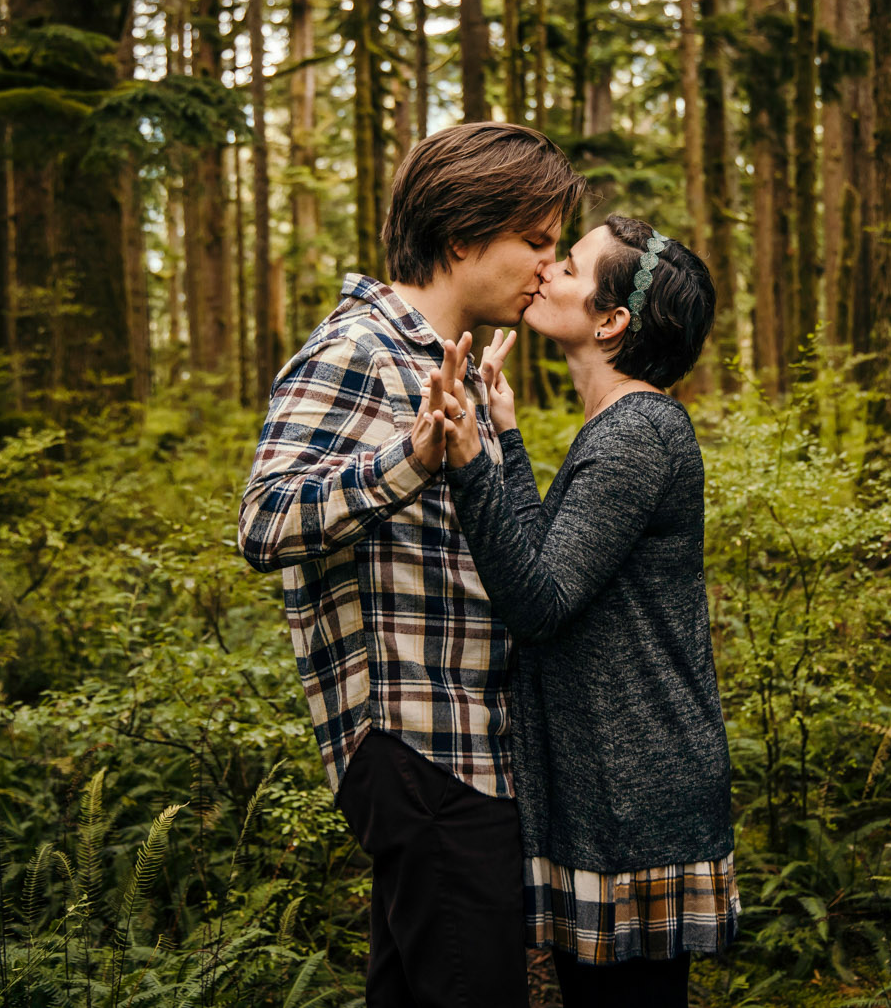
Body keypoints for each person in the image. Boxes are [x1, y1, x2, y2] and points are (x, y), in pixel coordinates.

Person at [237, 122, 585, 1008]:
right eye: (535, 242)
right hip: (420, 745)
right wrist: (413, 461)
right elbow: (264, 517)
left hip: (469, 744)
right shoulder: (360, 348)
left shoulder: (449, 368)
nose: (549, 267)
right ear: (465, 235)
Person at [421, 214, 736, 1008]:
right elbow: (544, 562)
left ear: (611, 319)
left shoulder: (639, 431)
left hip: (634, 798)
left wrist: (467, 466)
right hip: (602, 791)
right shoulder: (617, 427)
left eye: (571, 266)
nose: (548, 269)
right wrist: (506, 435)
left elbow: (538, 603)